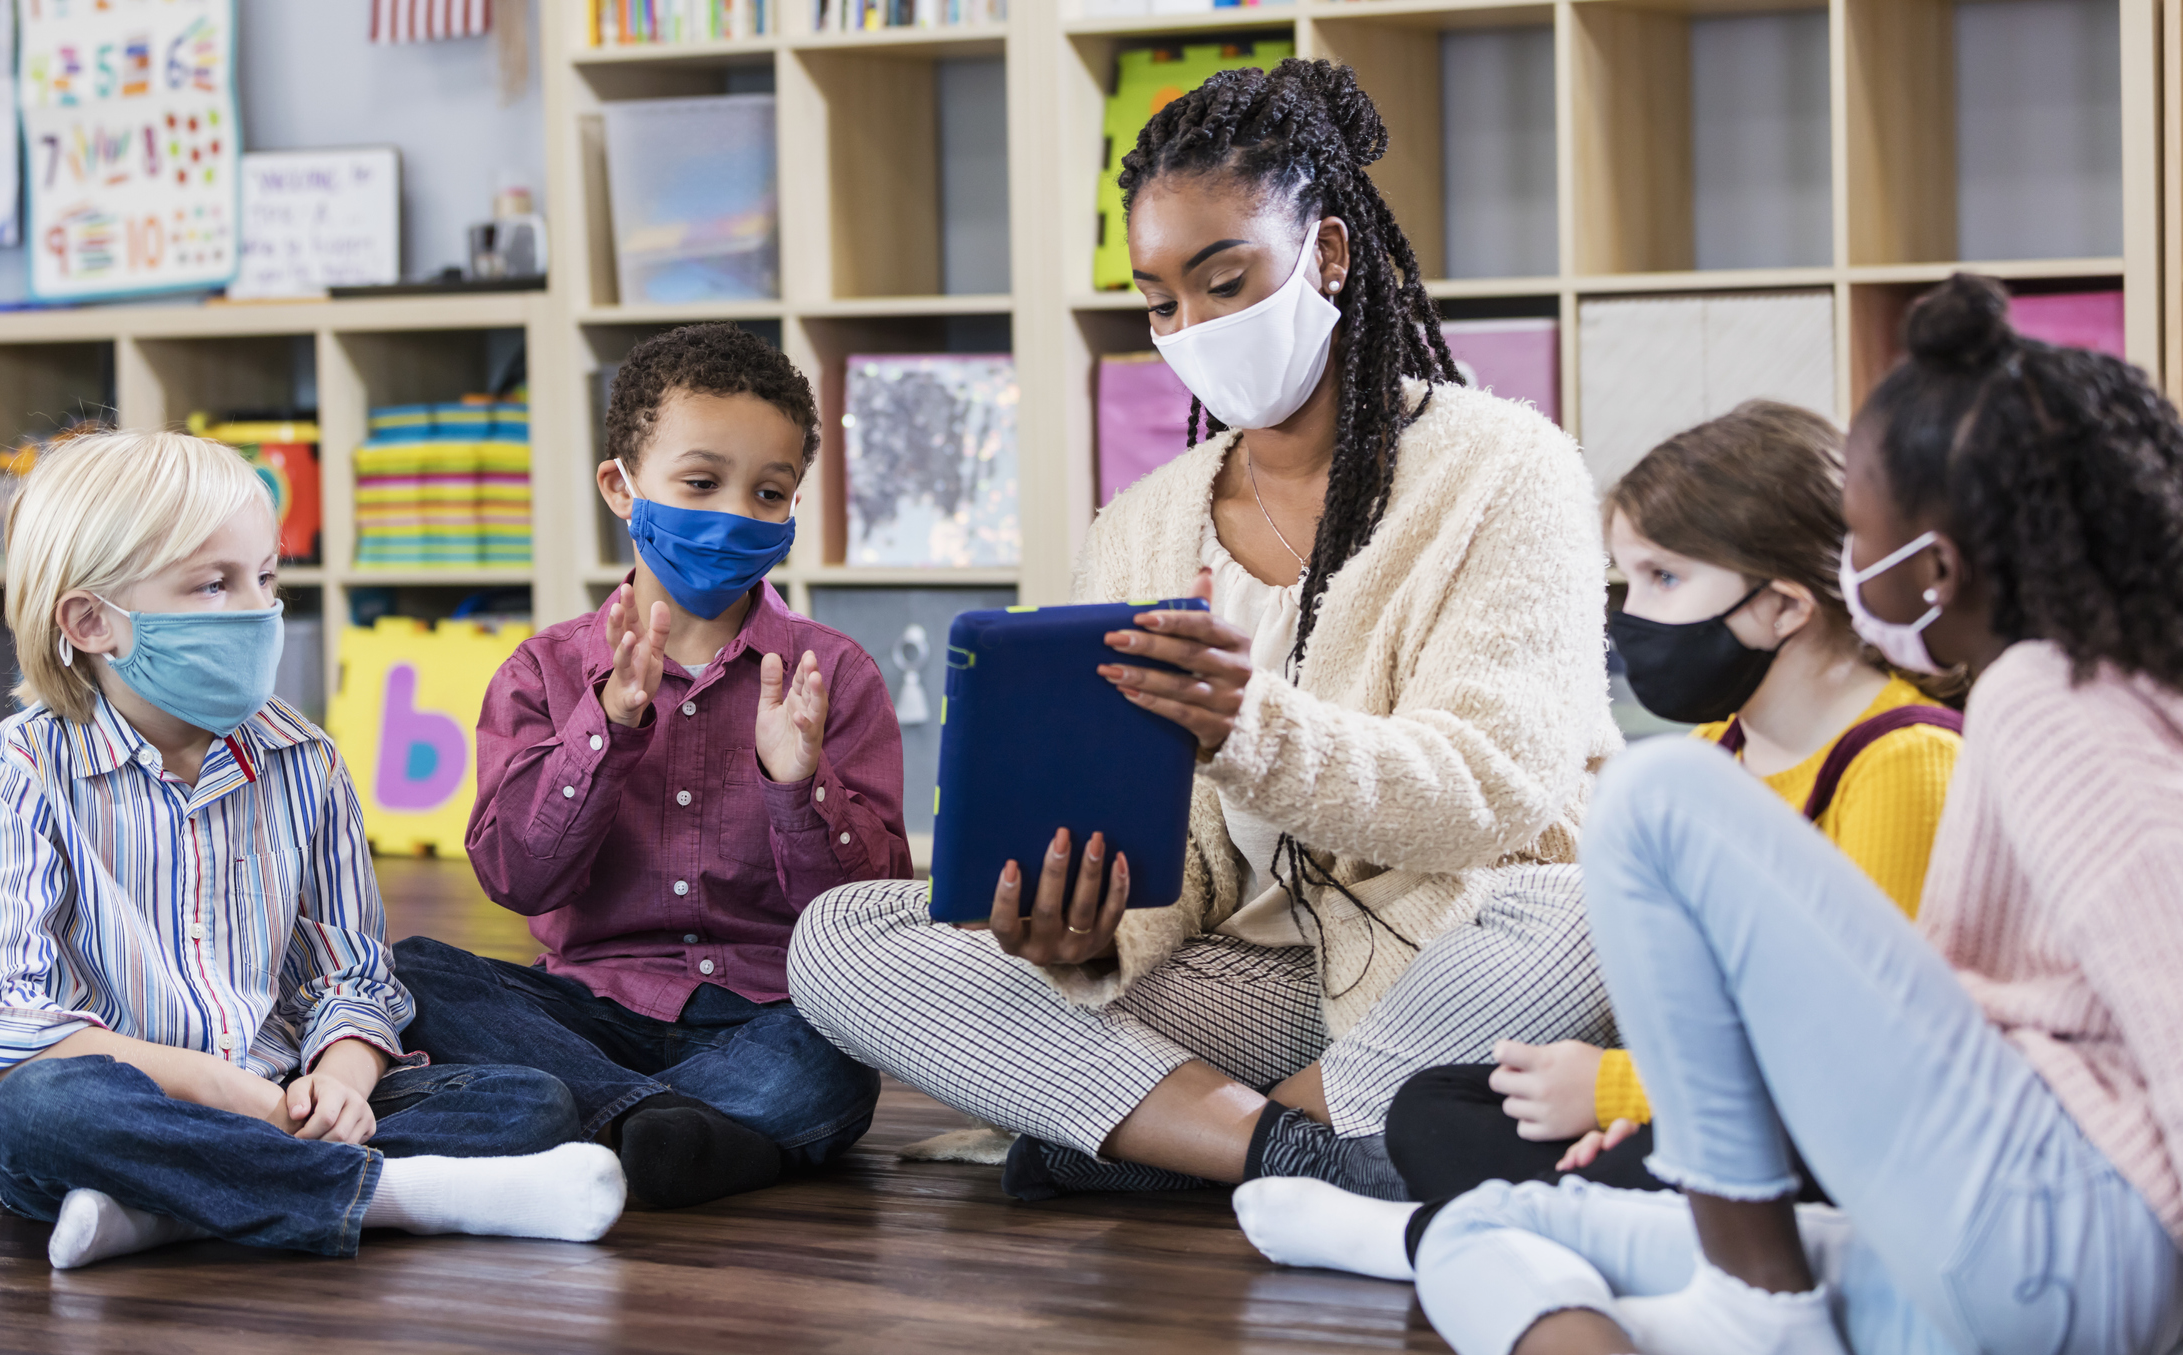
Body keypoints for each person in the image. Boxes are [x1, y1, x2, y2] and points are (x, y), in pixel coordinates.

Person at [1237, 273, 2183, 1355]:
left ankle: (1749, 1303)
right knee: (1486, 1228)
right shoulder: (2090, 684)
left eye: (1858, 544)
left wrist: (1624, 1094)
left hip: (2066, 1232)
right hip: (2011, 1245)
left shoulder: (2045, 700)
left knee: (1649, 794)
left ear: (1933, 569)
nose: (1848, 572)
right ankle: (1477, 1247)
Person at [788, 59, 1618, 1203]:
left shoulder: (1501, 467)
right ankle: (1297, 1154)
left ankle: (1141, 1128)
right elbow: (1173, 861)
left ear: (1326, 255)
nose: (1193, 328)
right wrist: (1079, 934)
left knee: (1583, 911)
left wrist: (1251, 726)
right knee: (841, 936)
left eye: (1226, 282)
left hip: (1457, 942)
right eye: (1162, 301)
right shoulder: (1139, 528)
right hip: (1246, 969)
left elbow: (1496, 790)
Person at [0, 431, 623, 1270]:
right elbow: (5, 1019)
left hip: (279, 1098)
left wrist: (342, 1080)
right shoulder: (16, 767)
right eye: (215, 583)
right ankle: (401, 1198)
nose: (258, 608)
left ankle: (166, 1208)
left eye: (266, 577)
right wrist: (215, 1088)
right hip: (124, 1102)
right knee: (44, 1113)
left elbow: (354, 975)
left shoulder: (303, 757)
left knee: (528, 1102)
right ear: (92, 620)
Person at [1362, 401, 1962, 1219]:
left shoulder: (1903, 762)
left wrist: (1621, 1091)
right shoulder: (1720, 748)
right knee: (1432, 1108)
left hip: (1845, 1123)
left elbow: (1860, 1055)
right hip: (1721, 1095)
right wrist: (1646, 1104)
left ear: (1783, 606)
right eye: (1627, 576)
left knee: (1654, 1151)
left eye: (1663, 578)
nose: (1628, 613)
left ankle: (1532, 1225)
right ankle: (1579, 1221)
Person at [393, 323, 903, 1211]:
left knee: (830, 1066)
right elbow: (516, 877)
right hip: (587, 1011)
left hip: (765, 1017)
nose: (734, 514)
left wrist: (798, 785)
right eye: (700, 483)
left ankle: (591, 1125)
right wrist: (607, 728)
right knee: (409, 974)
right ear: (620, 489)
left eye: (769, 492)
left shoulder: (834, 674)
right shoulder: (542, 672)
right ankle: (677, 1133)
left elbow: (871, 912)